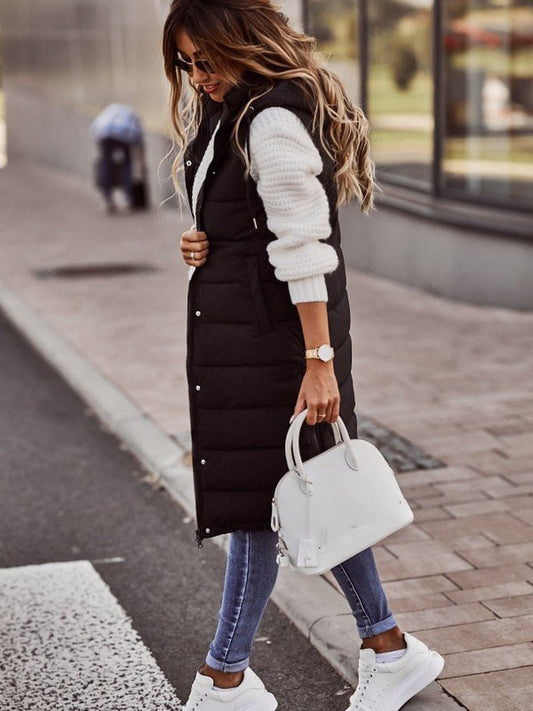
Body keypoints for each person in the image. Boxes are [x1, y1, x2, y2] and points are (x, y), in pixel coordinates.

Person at [162, 2, 445, 710]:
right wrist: (203, 240)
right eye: (187, 64)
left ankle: (224, 679)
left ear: (242, 43)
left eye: (208, 60)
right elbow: (249, 221)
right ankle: (389, 648)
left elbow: (304, 245)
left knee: (257, 506)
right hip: (250, 344)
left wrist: (319, 360)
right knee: (305, 491)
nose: (198, 76)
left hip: (281, 348)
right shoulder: (231, 113)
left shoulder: (270, 120)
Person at [90, 103, 148, 213]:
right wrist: (142, 166)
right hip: (123, 132)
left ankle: (107, 199)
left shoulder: (112, 111)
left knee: (106, 164)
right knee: (127, 164)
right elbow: (140, 145)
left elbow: (95, 130)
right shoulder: (134, 119)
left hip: (103, 132)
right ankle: (127, 198)